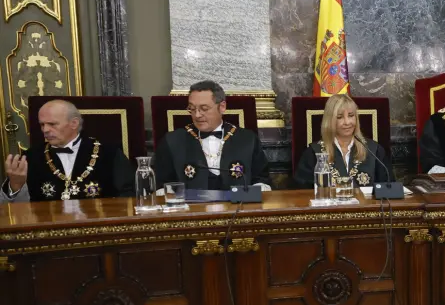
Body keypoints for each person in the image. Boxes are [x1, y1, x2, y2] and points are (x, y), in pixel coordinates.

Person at [1, 99, 133, 202]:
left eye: (52, 124)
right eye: (42, 124)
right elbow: (16, 210)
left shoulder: (109, 153)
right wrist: (15, 186)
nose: (45, 130)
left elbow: (129, 195)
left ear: (74, 123)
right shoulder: (31, 157)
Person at [153, 80, 270, 190]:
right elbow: (161, 184)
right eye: (192, 109)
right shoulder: (172, 141)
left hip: (238, 208)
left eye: (204, 108)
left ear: (222, 107)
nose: (197, 115)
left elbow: (261, 179)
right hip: (191, 209)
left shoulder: (247, 139)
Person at [293, 93, 392, 188]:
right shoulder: (313, 153)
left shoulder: (374, 151)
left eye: (351, 115)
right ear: (329, 120)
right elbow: (301, 193)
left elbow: (389, 188)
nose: (347, 122)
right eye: (339, 117)